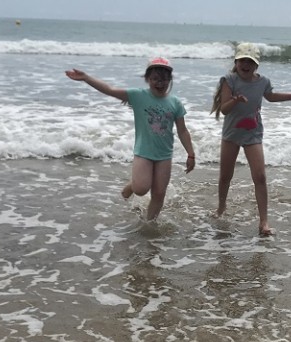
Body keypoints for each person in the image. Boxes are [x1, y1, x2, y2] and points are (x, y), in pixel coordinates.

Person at [66, 57, 195, 221]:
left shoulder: (175, 102)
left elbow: (183, 131)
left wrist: (191, 154)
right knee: (141, 188)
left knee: (159, 194)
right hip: (144, 152)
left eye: (164, 79)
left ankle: (149, 223)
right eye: (155, 79)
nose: (160, 83)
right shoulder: (138, 96)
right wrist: (86, 78)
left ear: (170, 80)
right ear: (147, 79)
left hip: (164, 154)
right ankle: (130, 188)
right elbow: (109, 90)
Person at [211, 42, 291, 236]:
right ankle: (221, 208)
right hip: (231, 134)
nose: (246, 65)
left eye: (250, 62)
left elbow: (271, 96)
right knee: (226, 176)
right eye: (243, 61)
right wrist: (235, 100)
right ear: (236, 62)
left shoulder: (262, 81)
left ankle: (263, 222)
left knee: (260, 177)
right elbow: (224, 109)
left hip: (253, 134)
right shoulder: (229, 80)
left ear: (256, 65)